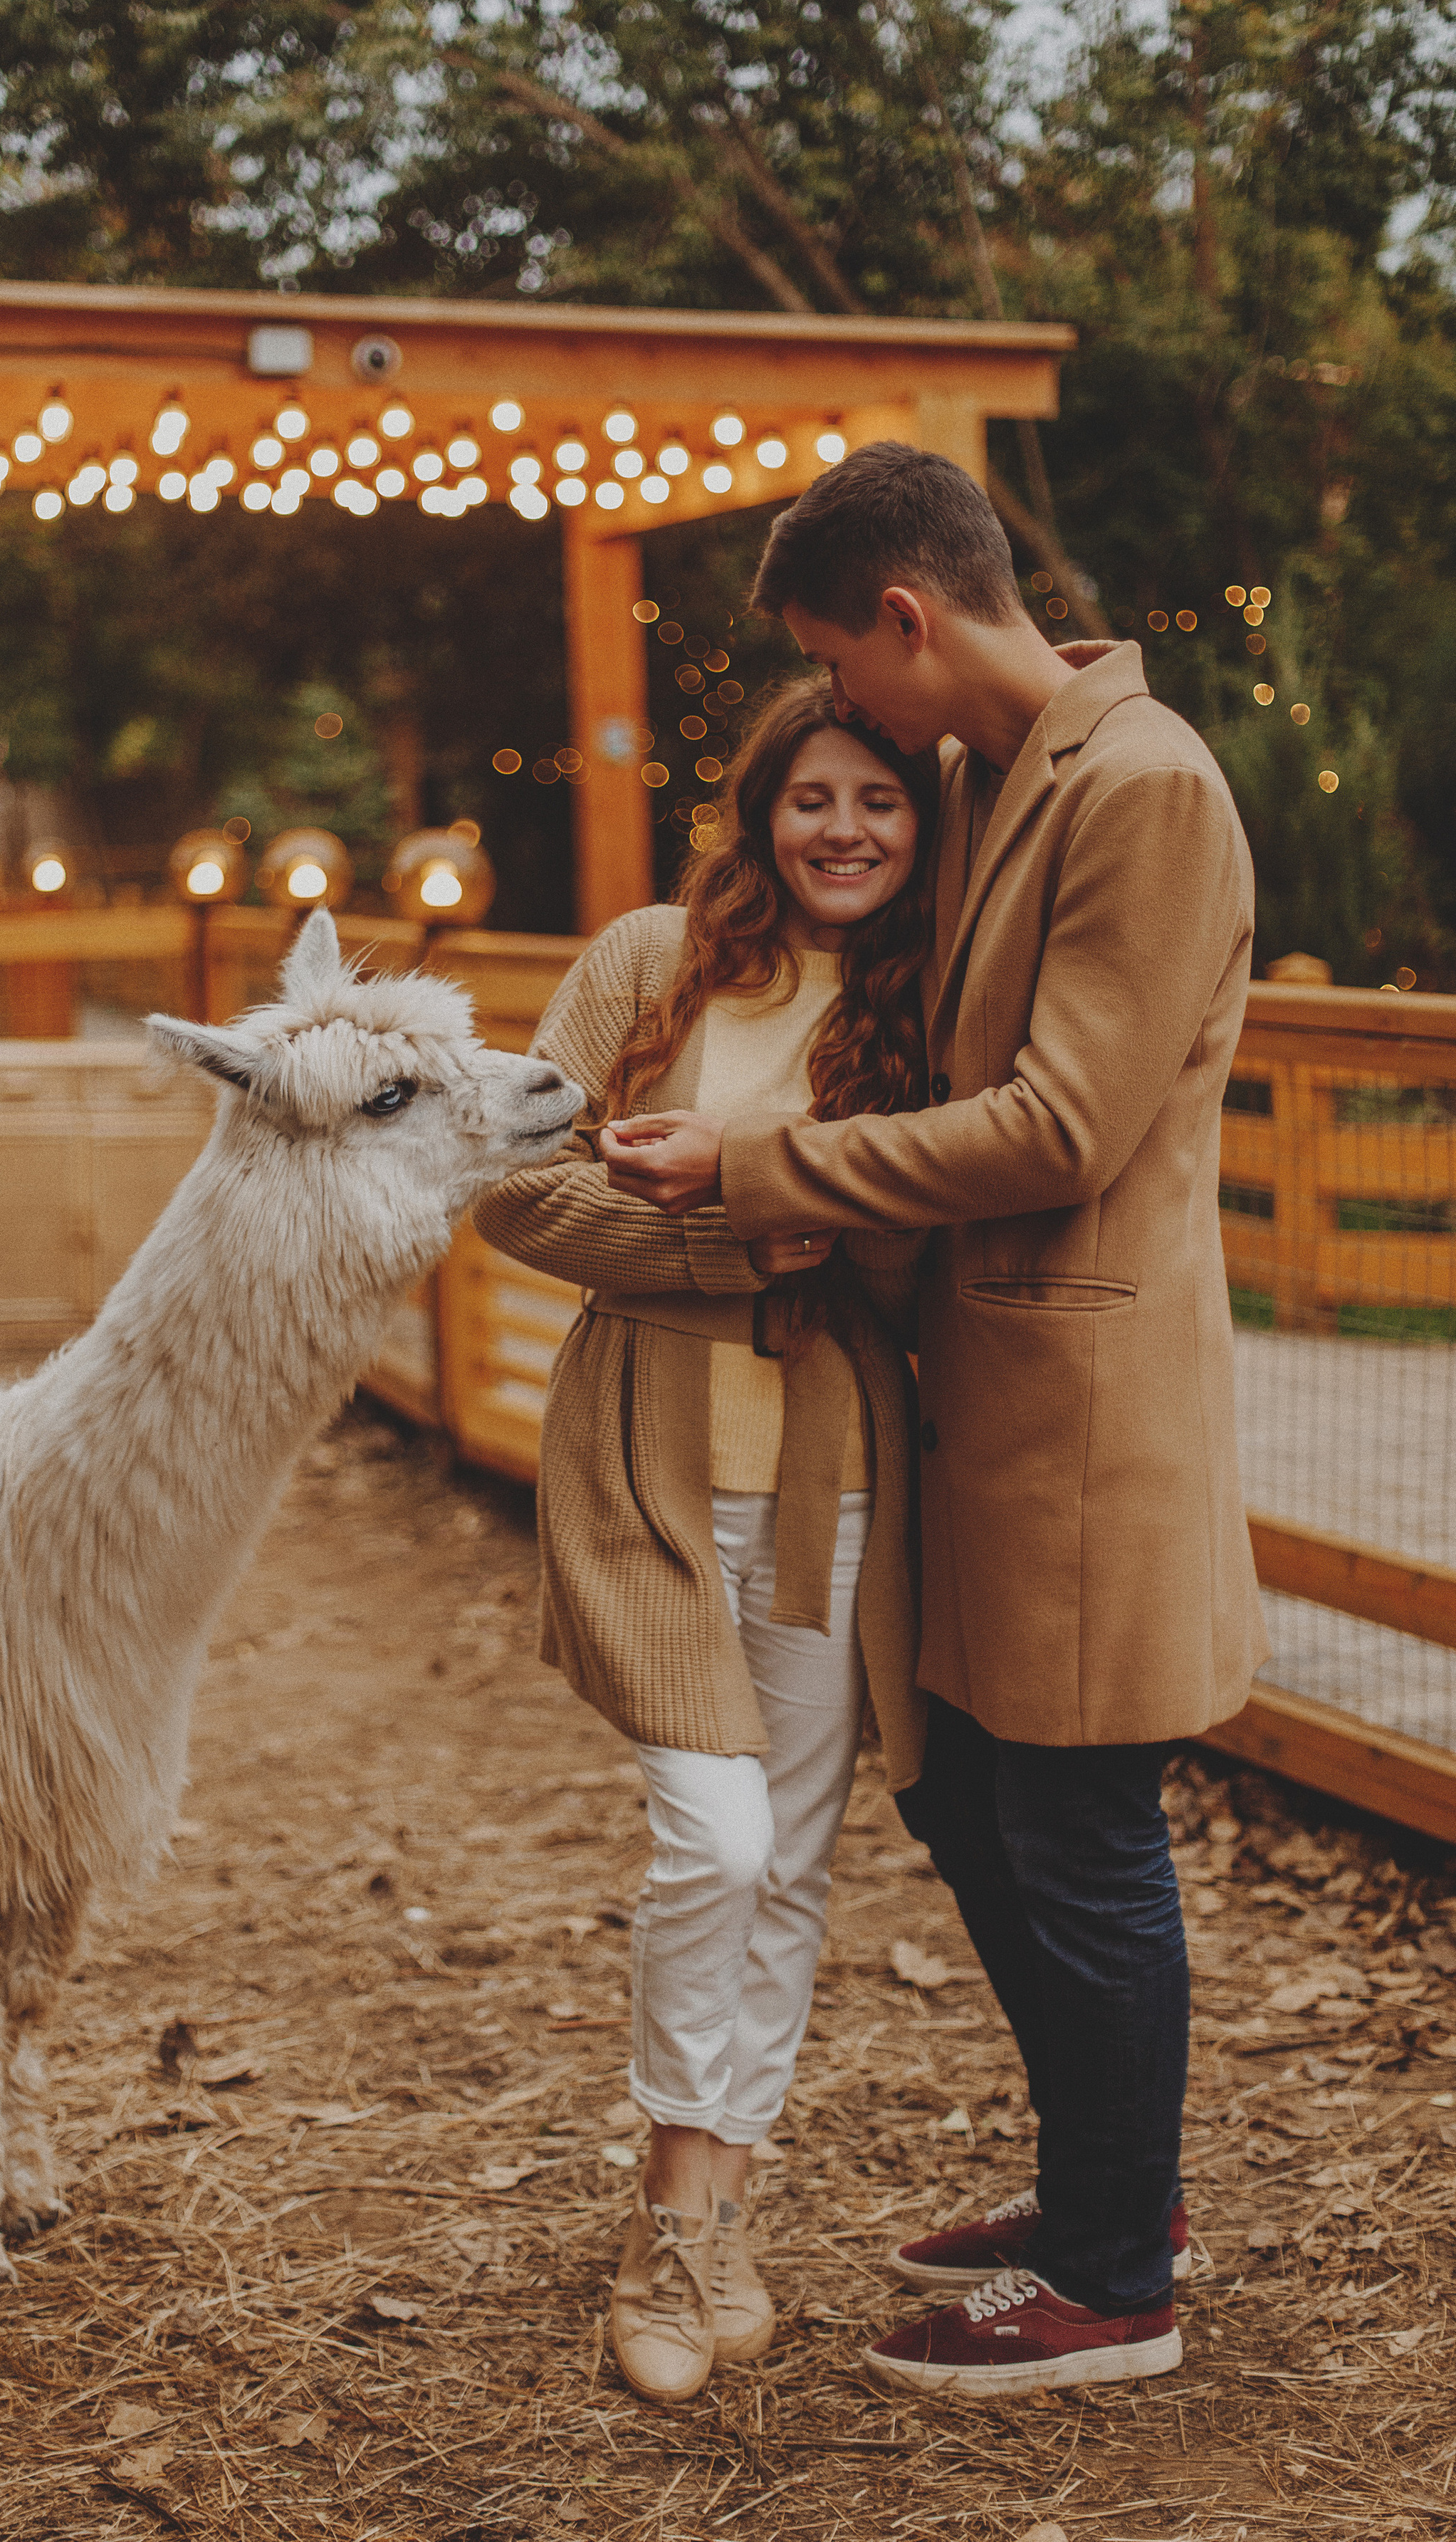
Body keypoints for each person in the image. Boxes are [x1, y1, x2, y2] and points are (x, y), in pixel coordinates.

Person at [597, 440, 1267, 2401]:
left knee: (1073, 1823)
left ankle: (1115, 2281)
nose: (848, 723)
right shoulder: (1000, 770)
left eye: (841, 667)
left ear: (904, 618)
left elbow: (1067, 1122)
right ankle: (1100, 2197)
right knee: (963, 1795)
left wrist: (750, 1167)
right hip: (960, 1403)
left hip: (1081, 1401)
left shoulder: (1145, 790)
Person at [476, 676, 938, 2405]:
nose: (843, 832)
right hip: (647, 1454)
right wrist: (750, 1242)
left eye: (879, 804)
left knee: (793, 1864)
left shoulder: (923, 999)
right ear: (762, 809)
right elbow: (516, 1179)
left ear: (918, 828)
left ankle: (702, 2220)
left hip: (837, 1468)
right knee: (719, 1840)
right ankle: (672, 2216)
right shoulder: (647, 960)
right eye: (813, 798)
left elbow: (915, 1239)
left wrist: (757, 1195)